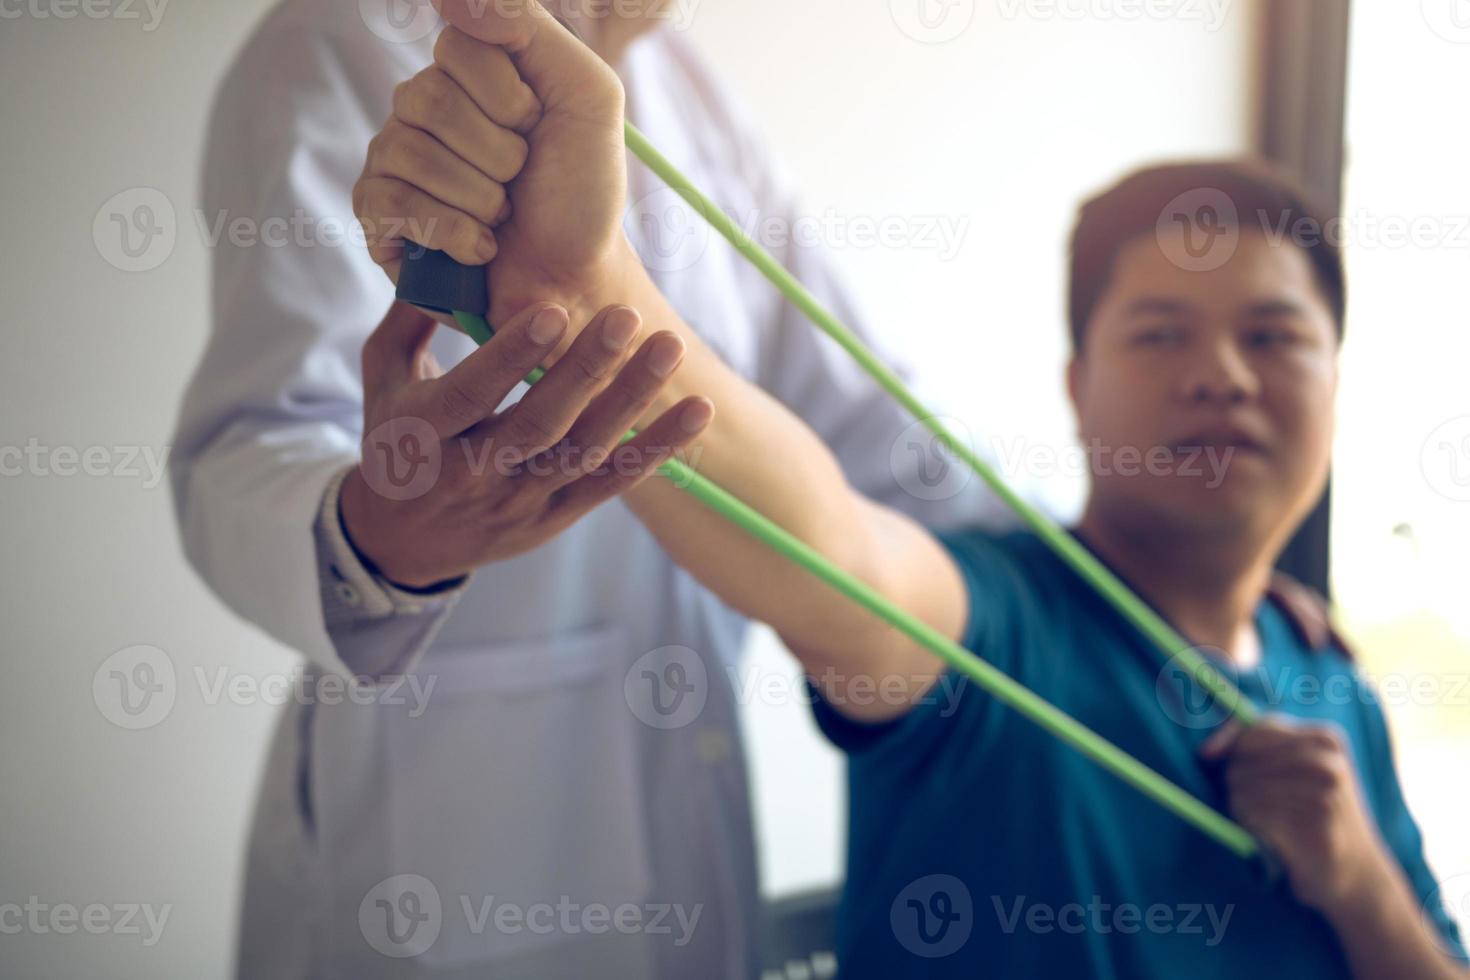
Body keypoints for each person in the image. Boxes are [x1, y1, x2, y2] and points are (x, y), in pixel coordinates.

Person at [365, 4, 1470, 976]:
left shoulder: (1330, 681)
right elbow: (834, 543)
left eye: (1274, 335)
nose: (1221, 374)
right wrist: (584, 288)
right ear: (1078, 390)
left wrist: (1364, 886)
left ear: (1338, 387)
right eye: (1162, 331)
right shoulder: (1004, 617)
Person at [169, 0, 1040, 975]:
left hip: (692, 776)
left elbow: (877, 437)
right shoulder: (335, 44)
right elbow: (246, 447)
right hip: (446, 824)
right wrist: (381, 531)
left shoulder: (689, 86)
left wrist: (1136, 580)